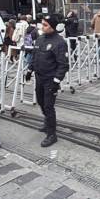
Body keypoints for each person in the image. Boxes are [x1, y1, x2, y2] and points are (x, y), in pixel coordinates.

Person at [25, 15, 69, 147]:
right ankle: (47, 122)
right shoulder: (40, 38)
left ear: (53, 27)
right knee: (41, 102)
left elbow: (63, 64)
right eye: (42, 24)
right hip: (39, 77)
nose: (42, 27)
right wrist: (29, 70)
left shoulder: (59, 42)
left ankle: (52, 134)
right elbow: (35, 55)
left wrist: (56, 81)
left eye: (45, 25)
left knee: (49, 106)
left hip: (50, 79)